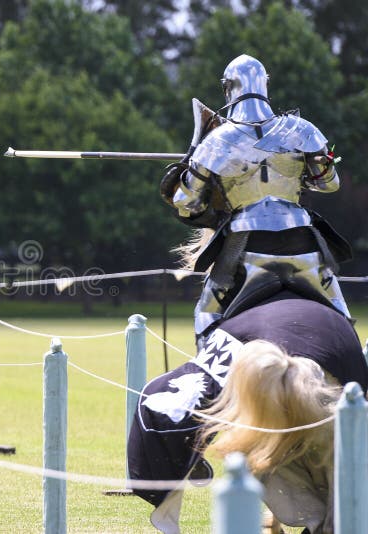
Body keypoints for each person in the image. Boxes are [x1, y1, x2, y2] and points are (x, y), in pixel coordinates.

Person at [126, 291, 368, 533]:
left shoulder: (229, 333)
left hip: (261, 352)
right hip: (331, 355)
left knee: (258, 447)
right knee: (336, 458)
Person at [159, 54, 352, 346]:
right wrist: (297, 173)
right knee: (341, 318)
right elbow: (329, 183)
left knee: (206, 313)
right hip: (303, 241)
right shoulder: (302, 130)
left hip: (247, 243)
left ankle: (212, 382)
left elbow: (187, 204)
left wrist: (191, 175)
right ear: (265, 86)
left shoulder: (216, 141)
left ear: (229, 89)